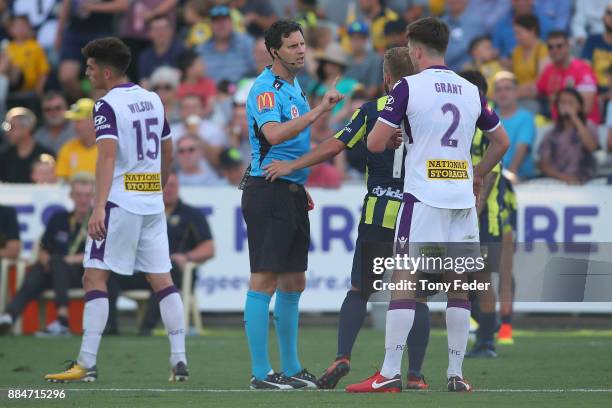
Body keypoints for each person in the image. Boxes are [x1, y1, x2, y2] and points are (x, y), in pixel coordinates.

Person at [346, 17, 509, 393]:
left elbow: (373, 143)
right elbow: (500, 141)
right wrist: (476, 173)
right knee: (459, 285)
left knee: (405, 280)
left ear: (415, 50)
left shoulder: (407, 87)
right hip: (461, 202)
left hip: (423, 199)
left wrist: (390, 136)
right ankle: (455, 373)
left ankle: (388, 372)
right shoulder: (470, 90)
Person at [264, 47, 432, 390]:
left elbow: (335, 146)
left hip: (378, 213)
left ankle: (342, 355)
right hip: (418, 212)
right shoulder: (428, 111)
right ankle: (415, 374)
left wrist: (292, 166)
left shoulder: (372, 111)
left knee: (359, 291)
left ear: (386, 78)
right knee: (415, 294)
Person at [44, 37, 188, 383]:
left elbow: (106, 156)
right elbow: (168, 153)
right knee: (162, 280)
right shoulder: (153, 98)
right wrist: (157, 185)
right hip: (151, 202)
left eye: (91, 68)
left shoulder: (106, 105)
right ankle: (179, 359)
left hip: (121, 202)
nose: (87, 73)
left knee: (94, 276)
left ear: (107, 72)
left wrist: (97, 208)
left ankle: (86, 363)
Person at [242, 19, 342, 390]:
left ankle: (293, 367)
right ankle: (261, 373)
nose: (301, 50)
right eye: (293, 46)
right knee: (264, 279)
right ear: (274, 52)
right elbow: (273, 134)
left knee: (294, 281)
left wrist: (298, 183)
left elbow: (291, 142)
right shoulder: (265, 89)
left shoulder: (293, 85)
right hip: (268, 190)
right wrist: (318, 111)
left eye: (302, 44)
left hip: (290, 189)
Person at [108, 172, 214, 335]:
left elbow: (209, 248)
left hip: (173, 271)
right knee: (109, 273)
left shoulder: (191, 214)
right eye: (164, 185)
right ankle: (110, 327)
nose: (168, 189)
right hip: (143, 270)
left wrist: (186, 257)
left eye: (172, 185)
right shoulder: (143, 212)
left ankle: (146, 328)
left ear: (178, 188)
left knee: (171, 269)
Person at [0, 175, 94, 336]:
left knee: (56, 261)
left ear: (93, 198)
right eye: (79, 195)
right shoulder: (59, 218)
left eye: (87, 196)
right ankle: (10, 316)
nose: (83, 200)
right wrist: (45, 258)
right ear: (71, 196)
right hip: (53, 271)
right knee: (38, 271)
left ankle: (62, 321)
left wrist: (66, 260)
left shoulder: (97, 221)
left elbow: (100, 254)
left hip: (82, 274)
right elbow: (44, 246)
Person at [55, 0, 129, 101]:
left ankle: (97, 110)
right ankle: (86, 104)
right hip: (74, 33)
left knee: (99, 81)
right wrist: (59, 34)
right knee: (66, 77)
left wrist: (92, 7)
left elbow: (123, 5)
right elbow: (66, 6)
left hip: (100, 32)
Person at [535, 31, 601, 124]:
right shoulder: (549, 69)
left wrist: (557, 100)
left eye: (559, 46)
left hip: (583, 125)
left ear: (568, 46)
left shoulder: (582, 69)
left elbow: (587, 107)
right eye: (550, 47)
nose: (554, 50)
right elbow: (536, 89)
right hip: (559, 126)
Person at [537, 88, 599, 184]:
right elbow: (543, 164)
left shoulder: (589, 126)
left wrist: (574, 118)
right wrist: (565, 178)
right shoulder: (551, 133)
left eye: (571, 102)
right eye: (562, 102)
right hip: (557, 182)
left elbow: (591, 147)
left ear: (580, 106)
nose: (566, 106)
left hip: (586, 182)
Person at [493, 71, 536, 180]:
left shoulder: (526, 118)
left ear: (516, 92)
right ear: (493, 95)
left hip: (519, 177)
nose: (502, 93)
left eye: (507, 88)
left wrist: (511, 174)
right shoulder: (489, 116)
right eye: (498, 89)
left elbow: (522, 148)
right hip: (493, 177)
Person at [196, 5, 255, 84]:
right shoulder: (201, 49)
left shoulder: (246, 42)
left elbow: (257, 69)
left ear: (231, 22)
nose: (221, 25)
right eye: (216, 21)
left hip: (243, 91)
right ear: (210, 25)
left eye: (224, 20)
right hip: (212, 93)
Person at [0, 107, 54, 183]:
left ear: (26, 128)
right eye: (6, 127)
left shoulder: (47, 154)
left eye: (11, 127)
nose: (7, 132)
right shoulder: (4, 156)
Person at [4, 15, 49, 94]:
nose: (21, 29)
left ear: (29, 28)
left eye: (24, 26)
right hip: (11, 87)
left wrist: (39, 89)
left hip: (30, 87)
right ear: (11, 29)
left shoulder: (36, 46)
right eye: (17, 26)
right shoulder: (8, 47)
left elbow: (44, 70)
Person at [55, 98, 97, 181]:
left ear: (94, 121)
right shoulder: (67, 148)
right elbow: (61, 183)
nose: (75, 127)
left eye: (79, 121)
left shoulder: (109, 148)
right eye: (74, 122)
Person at [512, 14, 548, 103]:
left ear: (532, 31)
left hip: (536, 98)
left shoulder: (543, 50)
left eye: (519, 33)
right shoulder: (517, 51)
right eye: (515, 34)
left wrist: (516, 92)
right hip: (517, 96)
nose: (517, 37)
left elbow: (541, 82)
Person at [138, 15, 185, 84]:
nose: (161, 32)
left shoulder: (182, 52)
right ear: (149, 33)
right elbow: (144, 83)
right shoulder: (145, 57)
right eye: (156, 29)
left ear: (171, 31)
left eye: (164, 28)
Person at [344, 20, 384, 99]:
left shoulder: (375, 59)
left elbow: (372, 92)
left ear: (366, 40)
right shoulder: (345, 59)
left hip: (369, 104)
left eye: (359, 39)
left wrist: (357, 89)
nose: (356, 42)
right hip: (345, 103)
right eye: (353, 39)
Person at [442, 0, 485, 72]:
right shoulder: (440, 23)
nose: (455, 1)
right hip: (444, 73)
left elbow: (478, 51)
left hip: (470, 73)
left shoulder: (476, 23)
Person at [176, 50, 217, 119]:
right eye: (200, 64)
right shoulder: (177, 87)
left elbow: (210, 107)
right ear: (189, 70)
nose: (204, 66)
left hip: (205, 119)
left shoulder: (209, 83)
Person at [581, 5, 612, 93]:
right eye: (609, 13)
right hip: (594, 91)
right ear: (603, 17)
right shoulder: (592, 40)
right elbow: (585, 69)